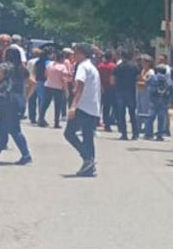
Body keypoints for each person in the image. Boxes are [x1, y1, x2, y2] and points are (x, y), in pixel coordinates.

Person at [0, 46, 32, 165]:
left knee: (14, 129)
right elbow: (32, 83)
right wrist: (26, 97)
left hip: (6, 101)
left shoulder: (4, 66)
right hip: (17, 101)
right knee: (3, 128)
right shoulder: (22, 69)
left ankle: (26, 155)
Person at [64, 44, 101, 177]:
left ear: (83, 54)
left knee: (69, 133)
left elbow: (80, 86)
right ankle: (89, 166)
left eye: (76, 53)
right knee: (88, 136)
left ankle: (88, 158)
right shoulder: (92, 67)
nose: (74, 55)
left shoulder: (83, 67)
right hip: (92, 107)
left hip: (82, 107)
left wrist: (73, 106)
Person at [113, 50, 140, 140]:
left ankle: (124, 133)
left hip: (120, 92)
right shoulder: (134, 66)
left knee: (121, 113)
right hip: (131, 92)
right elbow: (138, 78)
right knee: (132, 114)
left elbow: (112, 80)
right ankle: (135, 134)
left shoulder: (118, 67)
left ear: (122, 56)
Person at [40, 51, 70, 129]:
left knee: (45, 104)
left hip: (48, 85)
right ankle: (56, 122)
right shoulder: (63, 67)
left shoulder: (49, 64)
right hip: (58, 88)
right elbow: (64, 80)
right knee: (57, 106)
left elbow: (45, 74)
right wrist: (66, 90)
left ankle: (41, 119)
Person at [146, 64, 173, 141]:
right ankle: (159, 135)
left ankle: (149, 134)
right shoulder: (168, 79)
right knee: (161, 119)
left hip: (153, 100)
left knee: (151, 117)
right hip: (164, 101)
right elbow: (172, 90)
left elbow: (147, 84)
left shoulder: (153, 78)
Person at [98, 51, 117, 132]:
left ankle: (105, 124)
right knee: (112, 107)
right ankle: (111, 124)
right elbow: (113, 78)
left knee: (103, 107)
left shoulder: (100, 66)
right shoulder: (113, 66)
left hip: (101, 87)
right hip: (111, 88)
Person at [137, 56, 155, 138]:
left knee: (146, 111)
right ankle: (138, 127)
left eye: (144, 62)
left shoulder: (151, 72)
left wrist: (141, 79)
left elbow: (147, 81)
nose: (142, 64)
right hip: (140, 91)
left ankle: (147, 129)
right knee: (139, 110)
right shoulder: (143, 70)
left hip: (146, 92)